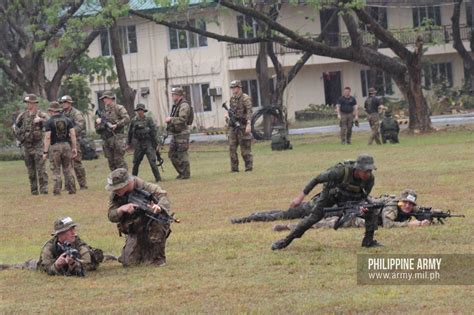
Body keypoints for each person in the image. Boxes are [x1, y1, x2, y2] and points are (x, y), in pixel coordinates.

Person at [271, 154, 381, 250]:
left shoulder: (370, 179)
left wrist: (362, 206)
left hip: (351, 199)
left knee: (372, 210)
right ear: (358, 169)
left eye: (370, 170)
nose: (368, 173)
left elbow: (364, 196)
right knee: (312, 219)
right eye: (366, 171)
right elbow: (316, 179)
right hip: (330, 196)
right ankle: (286, 241)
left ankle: (368, 241)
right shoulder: (341, 171)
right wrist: (300, 198)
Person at [272, 189, 431, 231]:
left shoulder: (407, 209)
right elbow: (388, 225)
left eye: (411, 204)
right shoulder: (391, 207)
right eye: (406, 203)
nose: (408, 207)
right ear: (400, 202)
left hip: (355, 210)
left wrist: (430, 216)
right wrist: (411, 225)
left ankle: (288, 226)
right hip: (352, 213)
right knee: (323, 222)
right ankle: (288, 226)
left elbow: (422, 211)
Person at [106, 168, 171, 267]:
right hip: (135, 228)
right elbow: (111, 216)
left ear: (127, 183)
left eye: (118, 187)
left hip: (153, 225)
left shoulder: (145, 187)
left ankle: (157, 257)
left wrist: (159, 207)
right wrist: (121, 209)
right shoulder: (115, 195)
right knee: (129, 263)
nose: (115, 190)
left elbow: (163, 195)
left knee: (152, 262)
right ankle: (141, 251)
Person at [37, 217, 103, 276]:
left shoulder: (80, 245)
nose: (73, 233)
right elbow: (46, 267)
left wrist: (73, 263)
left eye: (73, 229)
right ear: (60, 234)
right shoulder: (49, 248)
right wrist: (57, 265)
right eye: (70, 230)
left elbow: (86, 265)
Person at [15, 94, 49, 195]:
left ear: (34, 103)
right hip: (27, 146)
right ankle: (34, 190)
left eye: (29, 102)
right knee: (31, 170)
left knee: (41, 169)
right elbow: (15, 126)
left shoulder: (41, 114)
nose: (27, 104)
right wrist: (19, 138)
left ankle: (44, 190)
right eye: (26, 103)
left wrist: (40, 120)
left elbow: (50, 122)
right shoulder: (23, 115)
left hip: (38, 145)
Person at [42, 102, 77, 195]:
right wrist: (74, 147)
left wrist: (45, 151)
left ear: (52, 111)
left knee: (56, 169)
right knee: (68, 168)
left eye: (49, 110)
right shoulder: (68, 120)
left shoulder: (49, 122)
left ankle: (57, 191)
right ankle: (72, 189)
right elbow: (73, 135)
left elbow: (47, 137)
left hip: (55, 146)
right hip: (66, 145)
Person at [95, 91, 130, 171]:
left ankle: (126, 179)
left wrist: (117, 124)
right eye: (103, 98)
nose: (104, 100)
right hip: (106, 138)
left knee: (119, 160)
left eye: (106, 98)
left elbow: (127, 118)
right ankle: (116, 180)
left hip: (116, 137)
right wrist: (98, 123)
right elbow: (99, 127)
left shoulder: (118, 108)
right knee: (111, 161)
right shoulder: (103, 111)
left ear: (111, 98)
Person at [127, 103, 161, 182]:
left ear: (144, 111)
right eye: (138, 110)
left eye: (141, 110)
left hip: (148, 142)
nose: (140, 112)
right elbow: (130, 133)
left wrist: (156, 144)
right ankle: (133, 179)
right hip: (139, 143)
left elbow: (154, 131)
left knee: (152, 161)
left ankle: (158, 178)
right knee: (136, 162)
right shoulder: (134, 120)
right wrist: (128, 143)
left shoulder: (148, 119)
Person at [60, 95, 88, 189]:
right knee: (66, 164)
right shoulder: (62, 114)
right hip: (64, 141)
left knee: (77, 163)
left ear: (70, 103)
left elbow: (80, 125)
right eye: (62, 102)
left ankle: (83, 184)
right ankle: (69, 185)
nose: (63, 104)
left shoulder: (76, 113)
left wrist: (70, 132)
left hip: (75, 140)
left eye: (65, 102)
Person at [165, 87, 192, 179]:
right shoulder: (176, 105)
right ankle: (181, 172)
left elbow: (182, 119)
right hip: (176, 133)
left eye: (174, 95)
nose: (172, 96)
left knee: (182, 154)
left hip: (182, 133)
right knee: (171, 154)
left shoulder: (184, 105)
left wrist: (171, 119)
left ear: (178, 95)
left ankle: (185, 174)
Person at [226, 80, 253, 172]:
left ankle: (248, 167)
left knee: (245, 149)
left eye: (234, 87)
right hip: (233, 126)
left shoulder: (245, 98)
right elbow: (232, 111)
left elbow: (249, 111)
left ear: (239, 88)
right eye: (232, 88)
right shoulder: (232, 99)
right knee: (232, 147)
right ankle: (234, 169)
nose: (233, 89)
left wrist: (249, 124)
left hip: (242, 125)